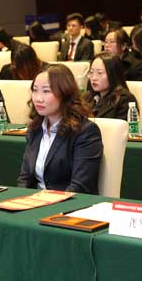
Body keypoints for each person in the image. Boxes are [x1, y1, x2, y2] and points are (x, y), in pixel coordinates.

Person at [16, 64, 103, 194]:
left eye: (46, 91)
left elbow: (80, 186)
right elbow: (24, 178)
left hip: (69, 203)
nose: (38, 98)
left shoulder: (85, 132)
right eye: (35, 90)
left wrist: (46, 203)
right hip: (35, 201)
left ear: (65, 92)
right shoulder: (35, 129)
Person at [83, 52, 137, 120]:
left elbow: (122, 126)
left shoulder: (124, 100)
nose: (94, 78)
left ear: (113, 74)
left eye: (99, 73)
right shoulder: (87, 97)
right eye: (91, 72)